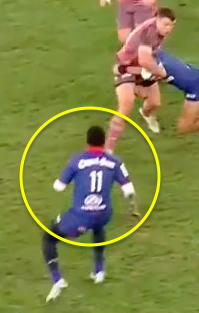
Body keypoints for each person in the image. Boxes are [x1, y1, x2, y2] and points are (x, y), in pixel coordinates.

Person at [42, 125, 140, 302]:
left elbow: (58, 187)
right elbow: (129, 190)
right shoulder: (115, 161)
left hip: (81, 216)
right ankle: (99, 271)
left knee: (48, 237)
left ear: (86, 142)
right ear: (104, 142)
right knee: (98, 224)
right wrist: (132, 206)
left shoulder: (77, 160)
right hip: (104, 213)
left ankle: (58, 280)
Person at [106, 8, 176, 152]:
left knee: (154, 102)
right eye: (166, 24)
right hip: (127, 67)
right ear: (157, 20)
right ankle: (108, 147)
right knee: (126, 105)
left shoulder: (159, 31)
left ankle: (145, 113)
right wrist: (161, 72)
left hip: (143, 68)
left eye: (171, 25)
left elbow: (149, 56)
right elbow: (145, 60)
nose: (169, 28)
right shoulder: (149, 32)